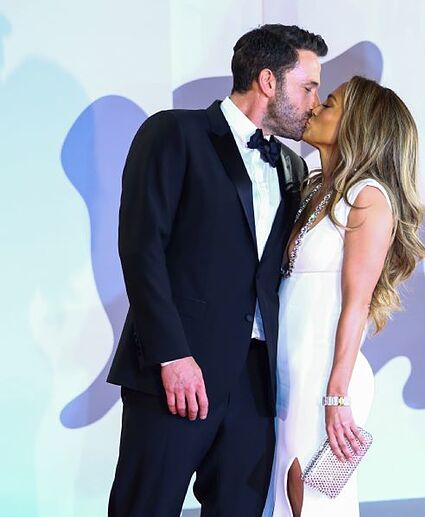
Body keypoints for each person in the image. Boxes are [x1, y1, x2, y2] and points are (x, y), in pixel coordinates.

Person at [106, 24, 327, 516]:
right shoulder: (173, 133)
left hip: (255, 384)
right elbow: (141, 250)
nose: (316, 101)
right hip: (177, 373)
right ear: (268, 81)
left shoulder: (292, 168)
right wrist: (171, 356)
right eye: (308, 86)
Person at [269, 76, 425, 516]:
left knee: (309, 498)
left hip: (326, 375)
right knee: (284, 492)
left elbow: (357, 301)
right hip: (292, 369)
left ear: (357, 125)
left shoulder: (368, 198)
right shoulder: (315, 190)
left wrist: (336, 395)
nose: (315, 107)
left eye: (331, 104)